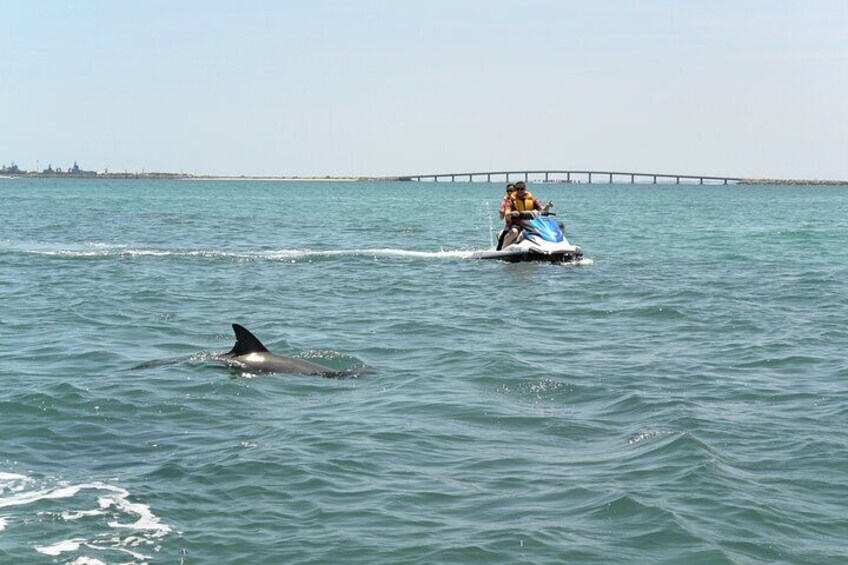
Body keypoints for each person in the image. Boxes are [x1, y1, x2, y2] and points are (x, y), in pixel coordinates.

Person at [499, 181, 547, 249]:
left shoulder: (531, 199)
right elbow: (507, 212)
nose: (520, 191)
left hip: (531, 223)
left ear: (525, 189)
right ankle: (502, 249)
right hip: (517, 224)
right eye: (518, 189)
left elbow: (541, 208)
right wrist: (511, 213)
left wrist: (547, 207)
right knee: (514, 232)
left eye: (521, 189)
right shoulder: (510, 201)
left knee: (544, 229)